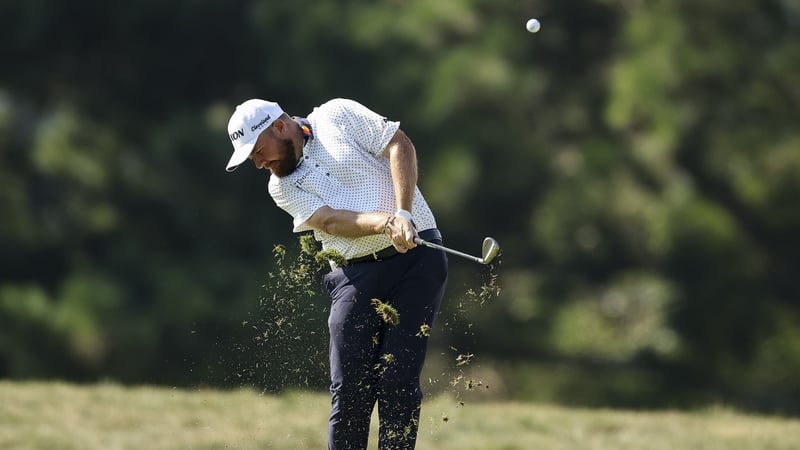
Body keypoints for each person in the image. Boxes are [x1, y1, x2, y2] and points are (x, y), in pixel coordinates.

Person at [225, 98, 448, 449]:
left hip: (416, 260)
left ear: (280, 127)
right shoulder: (280, 186)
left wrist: (404, 212)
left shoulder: (337, 114)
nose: (258, 163)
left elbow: (398, 144)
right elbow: (330, 220)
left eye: (257, 151)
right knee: (350, 391)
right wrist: (387, 222)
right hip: (353, 276)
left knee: (397, 381)